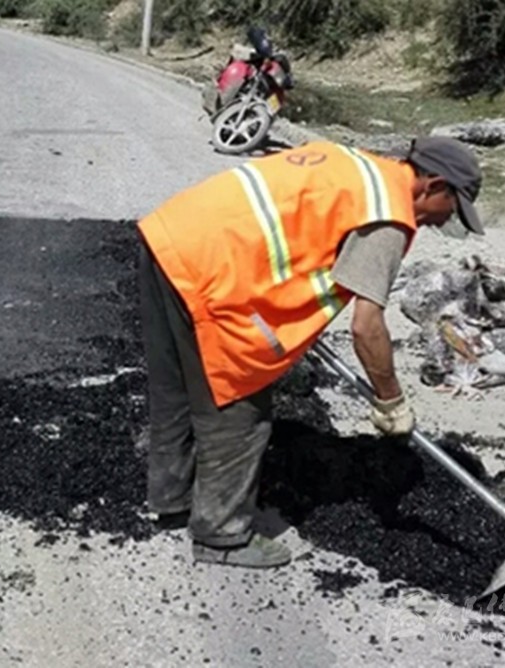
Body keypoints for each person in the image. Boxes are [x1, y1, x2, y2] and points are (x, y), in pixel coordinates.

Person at [137, 137, 484, 568]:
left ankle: (171, 499)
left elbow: (296, 231)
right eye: (452, 208)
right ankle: (220, 536)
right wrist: (391, 400)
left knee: (175, 389)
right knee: (239, 413)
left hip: (171, 237)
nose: (445, 220)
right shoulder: (388, 214)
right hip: (215, 271)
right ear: (434, 186)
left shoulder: (358, 167)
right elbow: (367, 327)